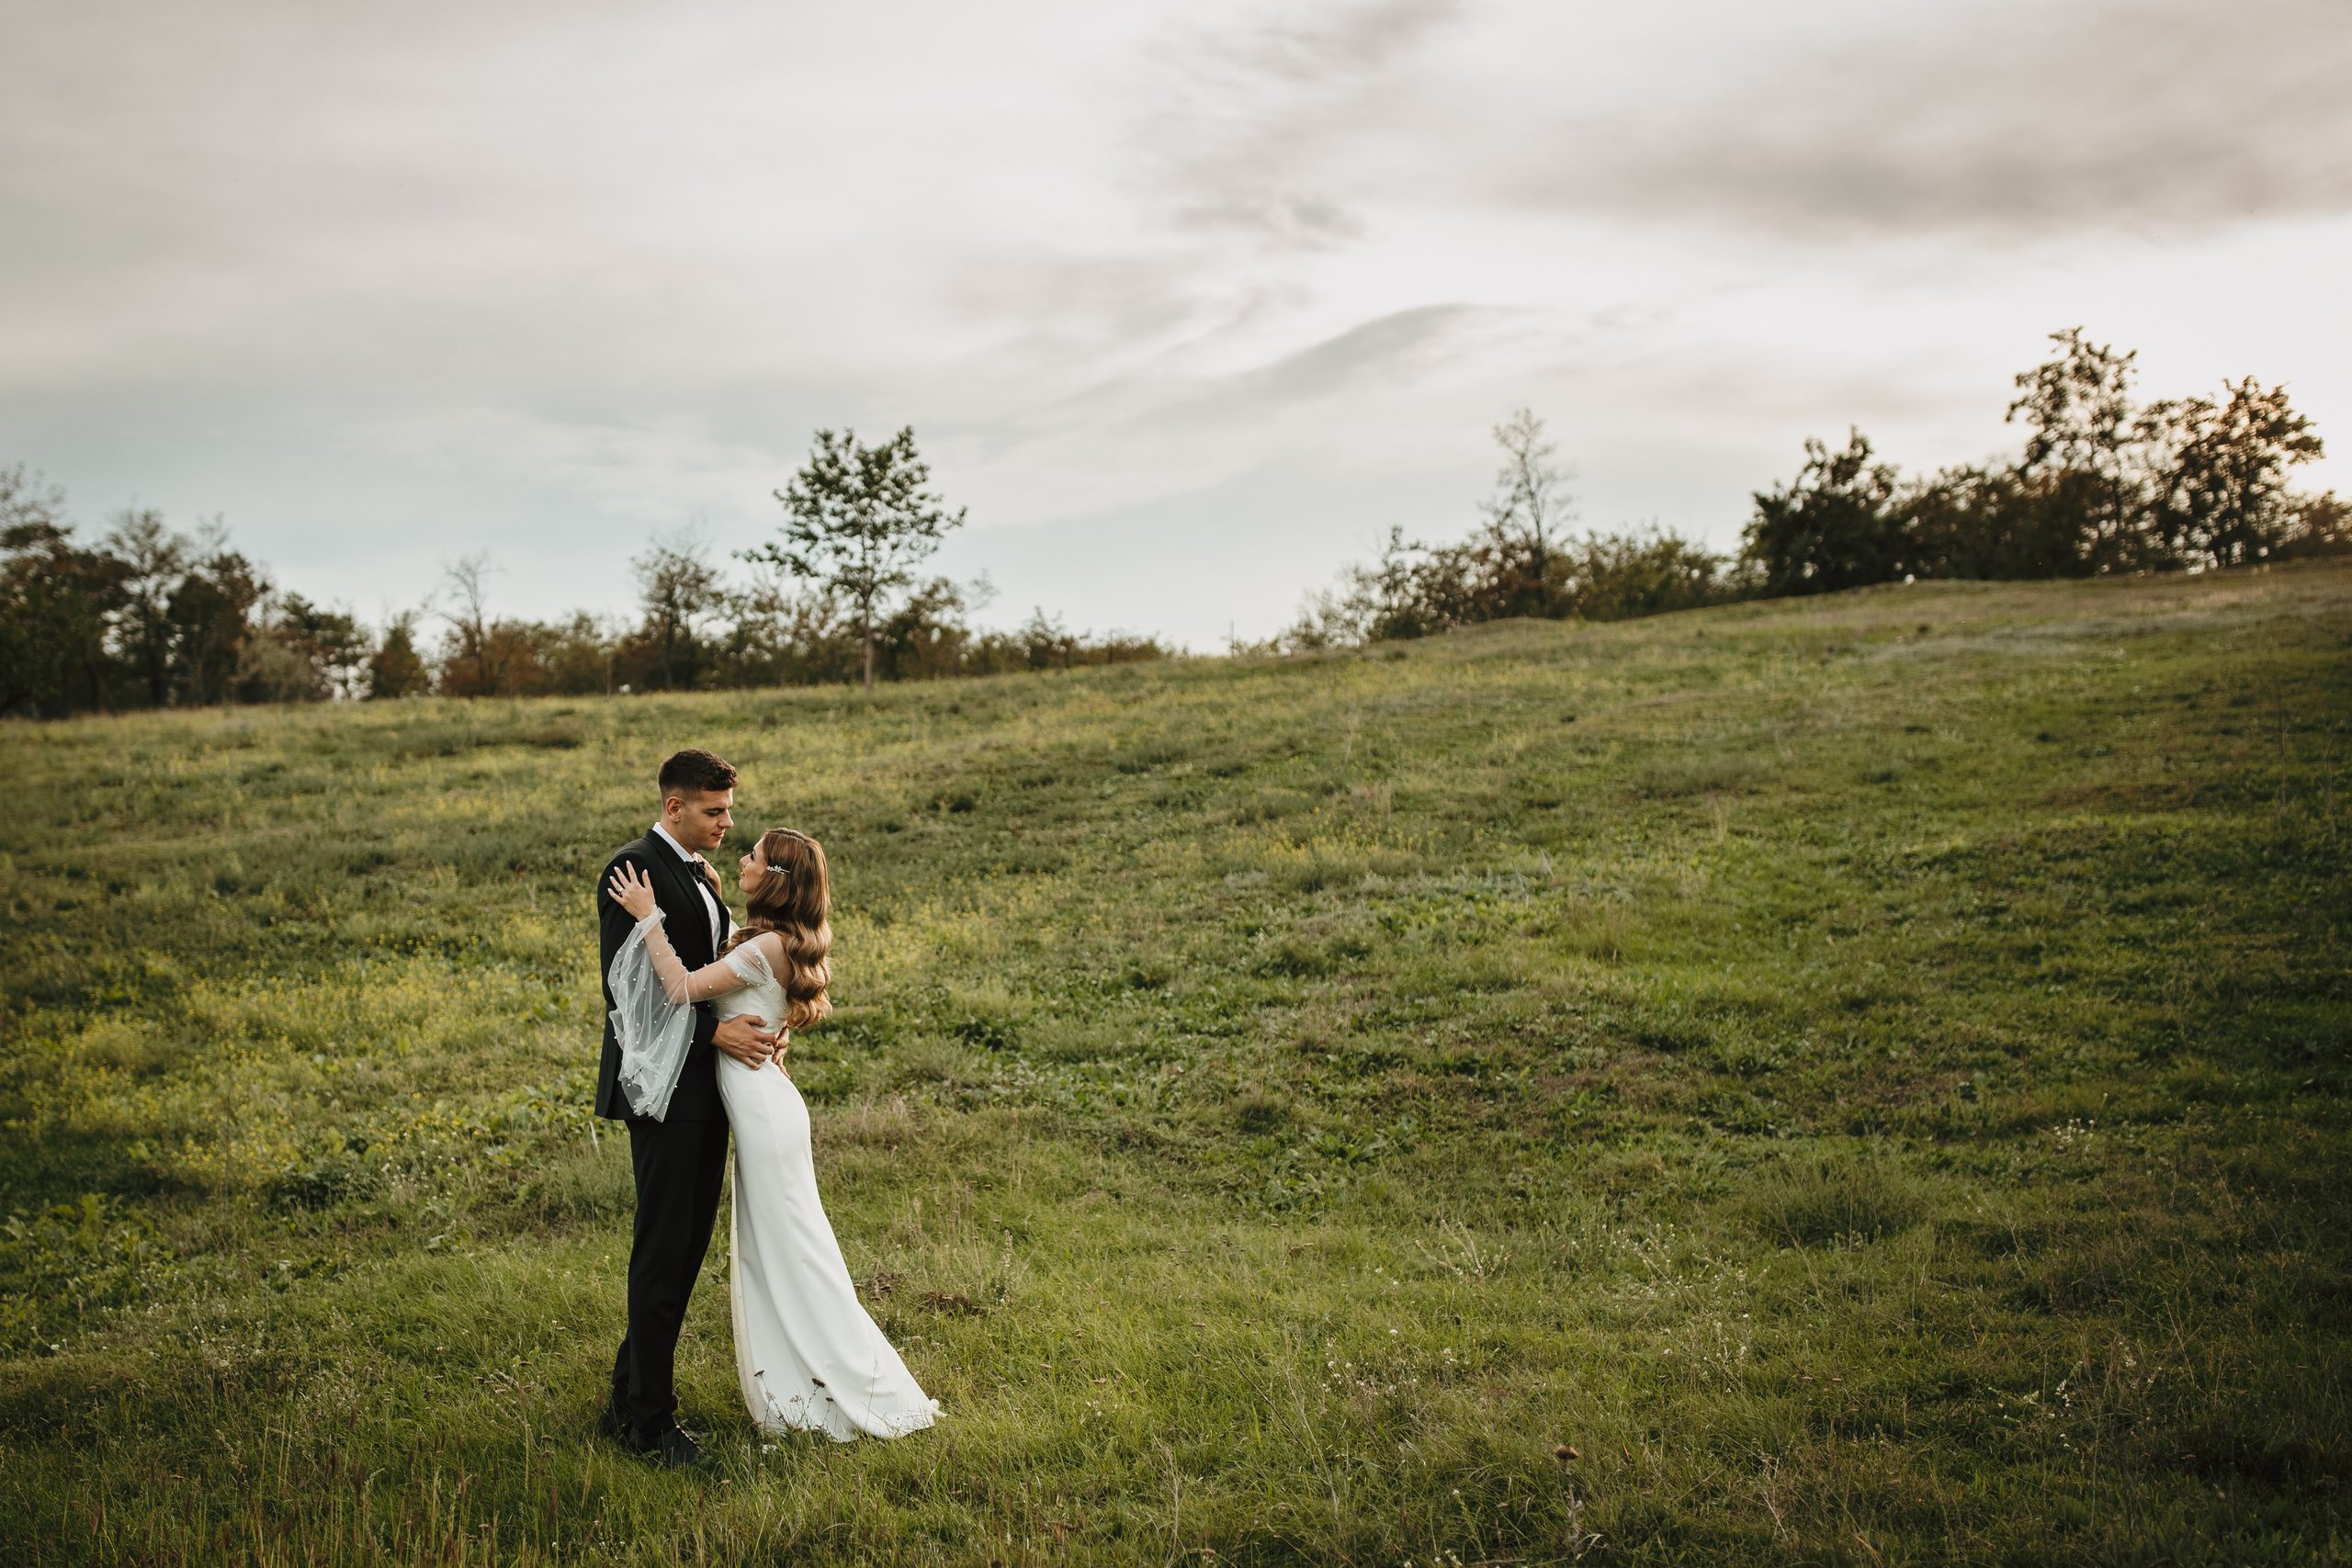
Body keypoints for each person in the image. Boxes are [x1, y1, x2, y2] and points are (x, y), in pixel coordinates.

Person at [606, 826, 940, 1442]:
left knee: (788, 1250)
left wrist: (650, 917)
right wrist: (719, 899)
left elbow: (680, 987)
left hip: (760, 1108)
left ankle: (836, 1383)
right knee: (790, 1245)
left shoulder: (764, 951)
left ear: (777, 879)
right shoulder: (777, 942)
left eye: (753, 856)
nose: (740, 858)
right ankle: (818, 1373)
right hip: (770, 1103)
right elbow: (746, 968)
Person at [594, 749, 778, 1468]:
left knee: (681, 1251)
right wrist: (716, 1032)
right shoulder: (633, 869)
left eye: (729, 809)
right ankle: (651, 1425)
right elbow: (629, 998)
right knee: (664, 1253)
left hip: (705, 1088)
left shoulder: (698, 869)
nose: (727, 823)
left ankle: (626, 1398)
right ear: (674, 806)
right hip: (665, 1090)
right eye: (713, 810)